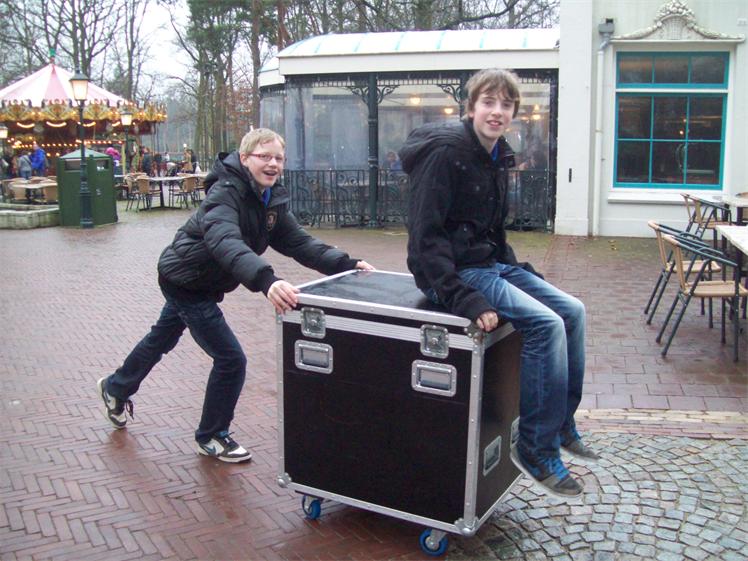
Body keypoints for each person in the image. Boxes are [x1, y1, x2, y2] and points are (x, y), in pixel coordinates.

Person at [97, 128, 374, 463]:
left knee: (161, 338)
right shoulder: (224, 194)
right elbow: (225, 240)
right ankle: (211, 435)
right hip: (186, 281)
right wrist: (267, 281)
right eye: (264, 156)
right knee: (231, 360)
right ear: (244, 158)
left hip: (203, 280)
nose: (273, 164)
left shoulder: (269, 199)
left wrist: (345, 264)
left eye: (278, 158)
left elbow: (298, 242)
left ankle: (116, 387)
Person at [399, 68, 596, 499]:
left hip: (489, 265)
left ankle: (561, 423)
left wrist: (520, 273)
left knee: (572, 311)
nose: (497, 112)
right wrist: (464, 299)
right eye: (488, 102)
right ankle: (536, 449)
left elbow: (490, 230)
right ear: (471, 107)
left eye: (506, 105)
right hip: (452, 275)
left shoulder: (496, 155)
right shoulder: (445, 153)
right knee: (545, 325)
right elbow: (425, 237)